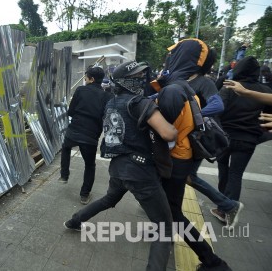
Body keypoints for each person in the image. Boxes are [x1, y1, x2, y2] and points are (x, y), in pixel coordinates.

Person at [64, 61, 177, 271]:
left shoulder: (112, 103)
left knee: (109, 199)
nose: (142, 81)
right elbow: (168, 133)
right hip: (141, 172)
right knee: (165, 228)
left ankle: (75, 221)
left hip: (118, 167)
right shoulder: (141, 104)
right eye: (138, 78)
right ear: (130, 82)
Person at [151, 38, 231, 271]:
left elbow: (165, 131)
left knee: (173, 212)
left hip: (175, 158)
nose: (169, 58)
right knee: (166, 206)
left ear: (183, 57)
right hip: (181, 157)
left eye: (173, 54)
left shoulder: (177, 88)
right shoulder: (179, 84)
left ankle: (214, 263)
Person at [184, 47, 244, 230]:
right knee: (183, 177)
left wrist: (192, 116)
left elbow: (217, 105)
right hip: (184, 137)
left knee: (187, 176)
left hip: (196, 139)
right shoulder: (183, 79)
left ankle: (229, 205)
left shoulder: (204, 82)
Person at [215, 56, 272, 215]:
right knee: (236, 174)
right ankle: (227, 210)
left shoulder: (230, 87)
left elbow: (218, 110)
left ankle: (222, 204)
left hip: (225, 136)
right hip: (248, 139)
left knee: (223, 169)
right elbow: (267, 119)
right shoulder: (266, 91)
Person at [59, 66, 113, 205]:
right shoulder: (107, 96)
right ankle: (84, 195)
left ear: (92, 79)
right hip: (91, 135)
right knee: (90, 165)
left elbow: (70, 111)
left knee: (65, 147)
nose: (85, 79)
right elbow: (107, 117)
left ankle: (64, 175)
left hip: (75, 130)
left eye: (86, 77)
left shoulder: (80, 90)